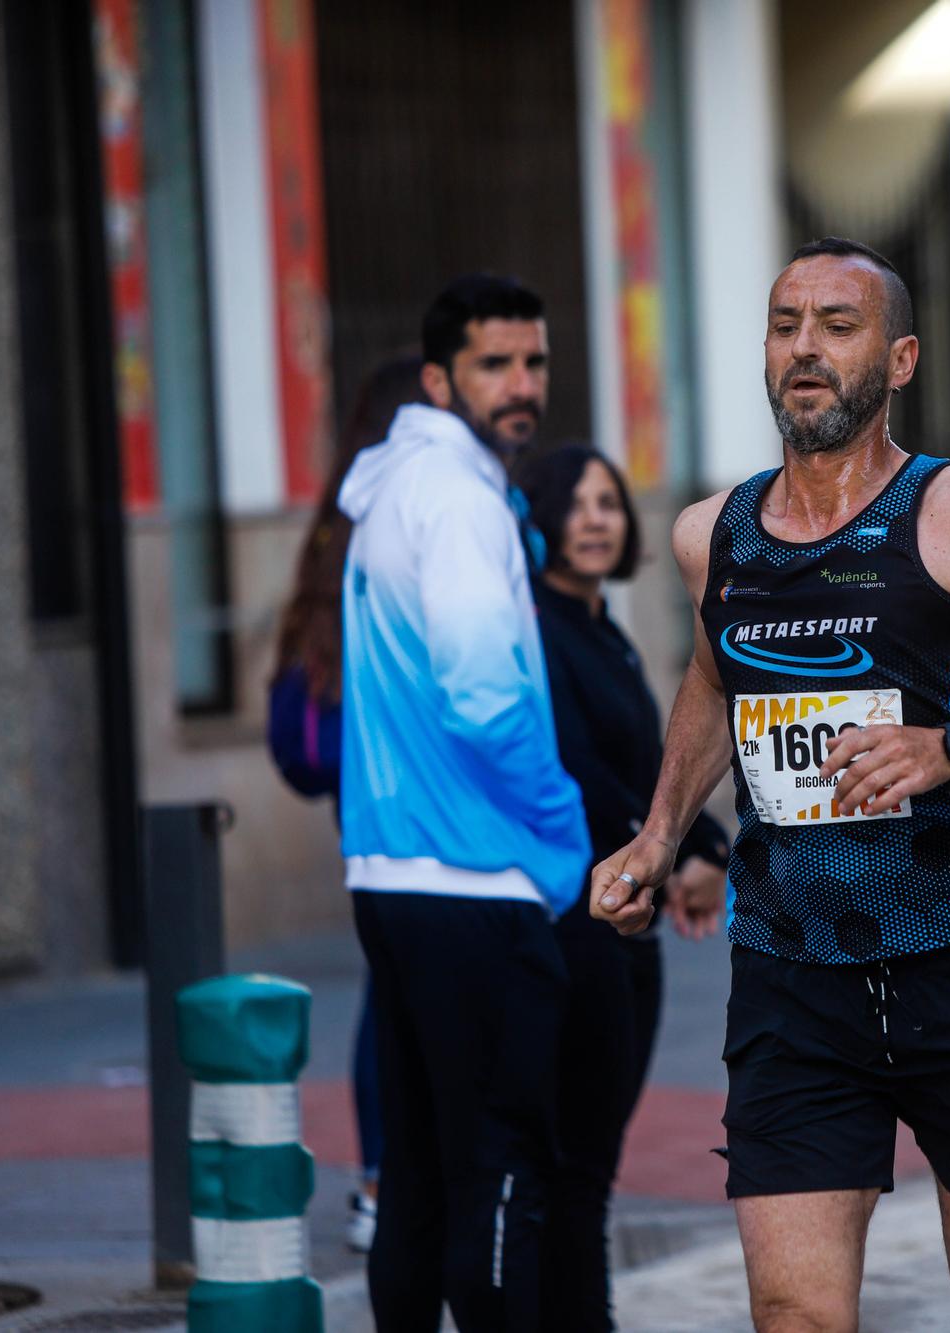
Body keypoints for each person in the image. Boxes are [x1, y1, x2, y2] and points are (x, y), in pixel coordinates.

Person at [590, 238, 950, 1332]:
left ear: (898, 360)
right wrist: (658, 834)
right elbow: (713, 677)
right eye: (785, 325)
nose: (804, 348)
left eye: (837, 327)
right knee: (794, 1315)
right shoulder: (711, 536)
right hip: (790, 972)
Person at [337, 275, 587, 1331]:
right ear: (439, 380)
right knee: (497, 1172)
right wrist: (562, 826)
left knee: (420, 1177)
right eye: (495, 364)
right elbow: (485, 699)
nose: (521, 384)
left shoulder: (396, 486)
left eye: (534, 361)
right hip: (475, 879)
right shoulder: (458, 500)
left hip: (392, 876)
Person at [512, 443, 731, 1329]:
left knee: (589, 1166)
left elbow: (651, 765)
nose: (596, 519)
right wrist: (672, 854)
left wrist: (708, 845)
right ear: (539, 518)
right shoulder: (537, 630)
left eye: (608, 502)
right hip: (575, 923)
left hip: (625, 923)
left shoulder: (602, 626)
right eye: (576, 503)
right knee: (572, 1168)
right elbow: (583, 777)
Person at [267, 354, 427, 1255]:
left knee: (389, 980)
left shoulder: (342, 514)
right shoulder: (420, 505)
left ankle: (378, 1179)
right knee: (410, 984)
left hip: (361, 799)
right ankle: (395, 1179)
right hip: (414, 782)